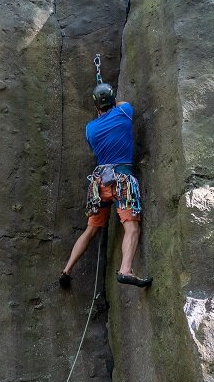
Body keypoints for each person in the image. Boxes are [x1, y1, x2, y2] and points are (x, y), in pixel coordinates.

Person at [60, 82, 152, 289]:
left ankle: (67, 270)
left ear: (95, 107)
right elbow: (123, 103)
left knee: (91, 229)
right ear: (113, 101)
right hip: (122, 181)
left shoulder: (90, 129)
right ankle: (125, 270)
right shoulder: (124, 112)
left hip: (99, 184)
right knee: (131, 227)